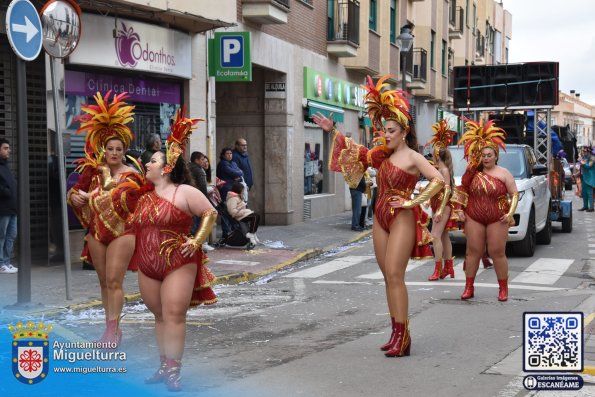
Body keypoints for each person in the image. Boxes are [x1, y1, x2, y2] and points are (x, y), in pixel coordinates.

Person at [313, 75, 444, 357]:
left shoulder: (412, 157)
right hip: (380, 217)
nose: (386, 134)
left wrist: (412, 203)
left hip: (401, 218)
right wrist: (332, 130)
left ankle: (405, 336)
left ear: (404, 131)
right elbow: (356, 153)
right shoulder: (381, 155)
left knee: (396, 275)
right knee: (387, 277)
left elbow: (438, 181)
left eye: (392, 130)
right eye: (385, 129)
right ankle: (395, 332)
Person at [130, 108, 217, 392]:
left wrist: (196, 241)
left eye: (152, 161)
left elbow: (210, 214)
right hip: (148, 264)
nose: (147, 164)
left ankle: (174, 370)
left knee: (174, 314)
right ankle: (163, 364)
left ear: (166, 167)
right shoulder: (143, 197)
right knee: (158, 315)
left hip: (178, 260)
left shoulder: (184, 192)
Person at [67, 91, 143, 346]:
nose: (113, 153)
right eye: (109, 148)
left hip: (123, 231)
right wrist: (74, 197)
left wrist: (93, 193)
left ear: (124, 151)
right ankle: (109, 328)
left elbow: (122, 198)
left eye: (118, 149)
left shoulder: (131, 174)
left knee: (114, 280)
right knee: (102, 280)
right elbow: (77, 190)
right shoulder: (94, 170)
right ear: (103, 149)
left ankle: (113, 330)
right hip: (97, 231)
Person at [457, 118, 518, 302]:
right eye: (483, 155)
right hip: (474, 216)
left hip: (497, 217)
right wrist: (459, 210)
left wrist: (510, 213)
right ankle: (468, 287)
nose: (486, 158)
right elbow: (463, 191)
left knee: (497, 251)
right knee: (473, 251)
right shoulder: (472, 172)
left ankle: (503, 289)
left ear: (496, 155)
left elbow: (514, 194)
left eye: (489, 155)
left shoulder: (504, 173)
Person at [426, 120, 459, 281]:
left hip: (442, 206)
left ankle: (438, 269)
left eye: (433, 152)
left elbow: (446, 190)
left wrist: (439, 210)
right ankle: (449, 268)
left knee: (435, 236)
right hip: (437, 204)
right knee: (444, 236)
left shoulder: (443, 170)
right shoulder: (439, 169)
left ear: (436, 154)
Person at [0, 138, 18, 274]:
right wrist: (6, 191)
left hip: (12, 207)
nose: (9, 151)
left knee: (11, 235)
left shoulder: (5, 165)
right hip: (3, 208)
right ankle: (1, 264)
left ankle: (6, 262)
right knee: (2, 235)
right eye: (5, 148)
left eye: (8, 148)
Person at [226, 182, 261, 246]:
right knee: (255, 217)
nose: (243, 191)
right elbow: (232, 212)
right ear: (238, 190)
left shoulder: (238, 197)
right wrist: (243, 212)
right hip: (239, 216)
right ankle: (251, 234)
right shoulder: (232, 199)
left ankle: (252, 233)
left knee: (256, 216)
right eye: (242, 190)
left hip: (242, 214)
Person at [579, 147, 595, 212]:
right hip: (584, 177)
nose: (584, 153)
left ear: (589, 152)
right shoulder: (584, 158)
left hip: (590, 177)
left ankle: (591, 207)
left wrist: (583, 163)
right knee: (584, 193)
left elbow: (588, 166)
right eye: (584, 151)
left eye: (585, 151)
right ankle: (585, 206)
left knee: (589, 193)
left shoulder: (592, 158)